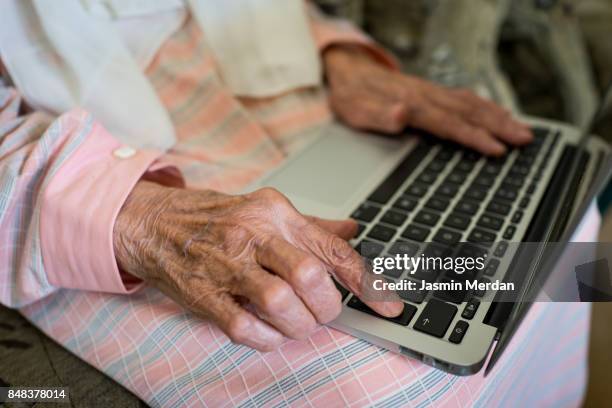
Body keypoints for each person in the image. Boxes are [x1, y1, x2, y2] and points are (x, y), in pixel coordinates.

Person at [0, 1, 598, 406]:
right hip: (88, 165)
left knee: (560, 241)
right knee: (388, 384)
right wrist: (146, 220)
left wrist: (343, 60)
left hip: (280, 85)